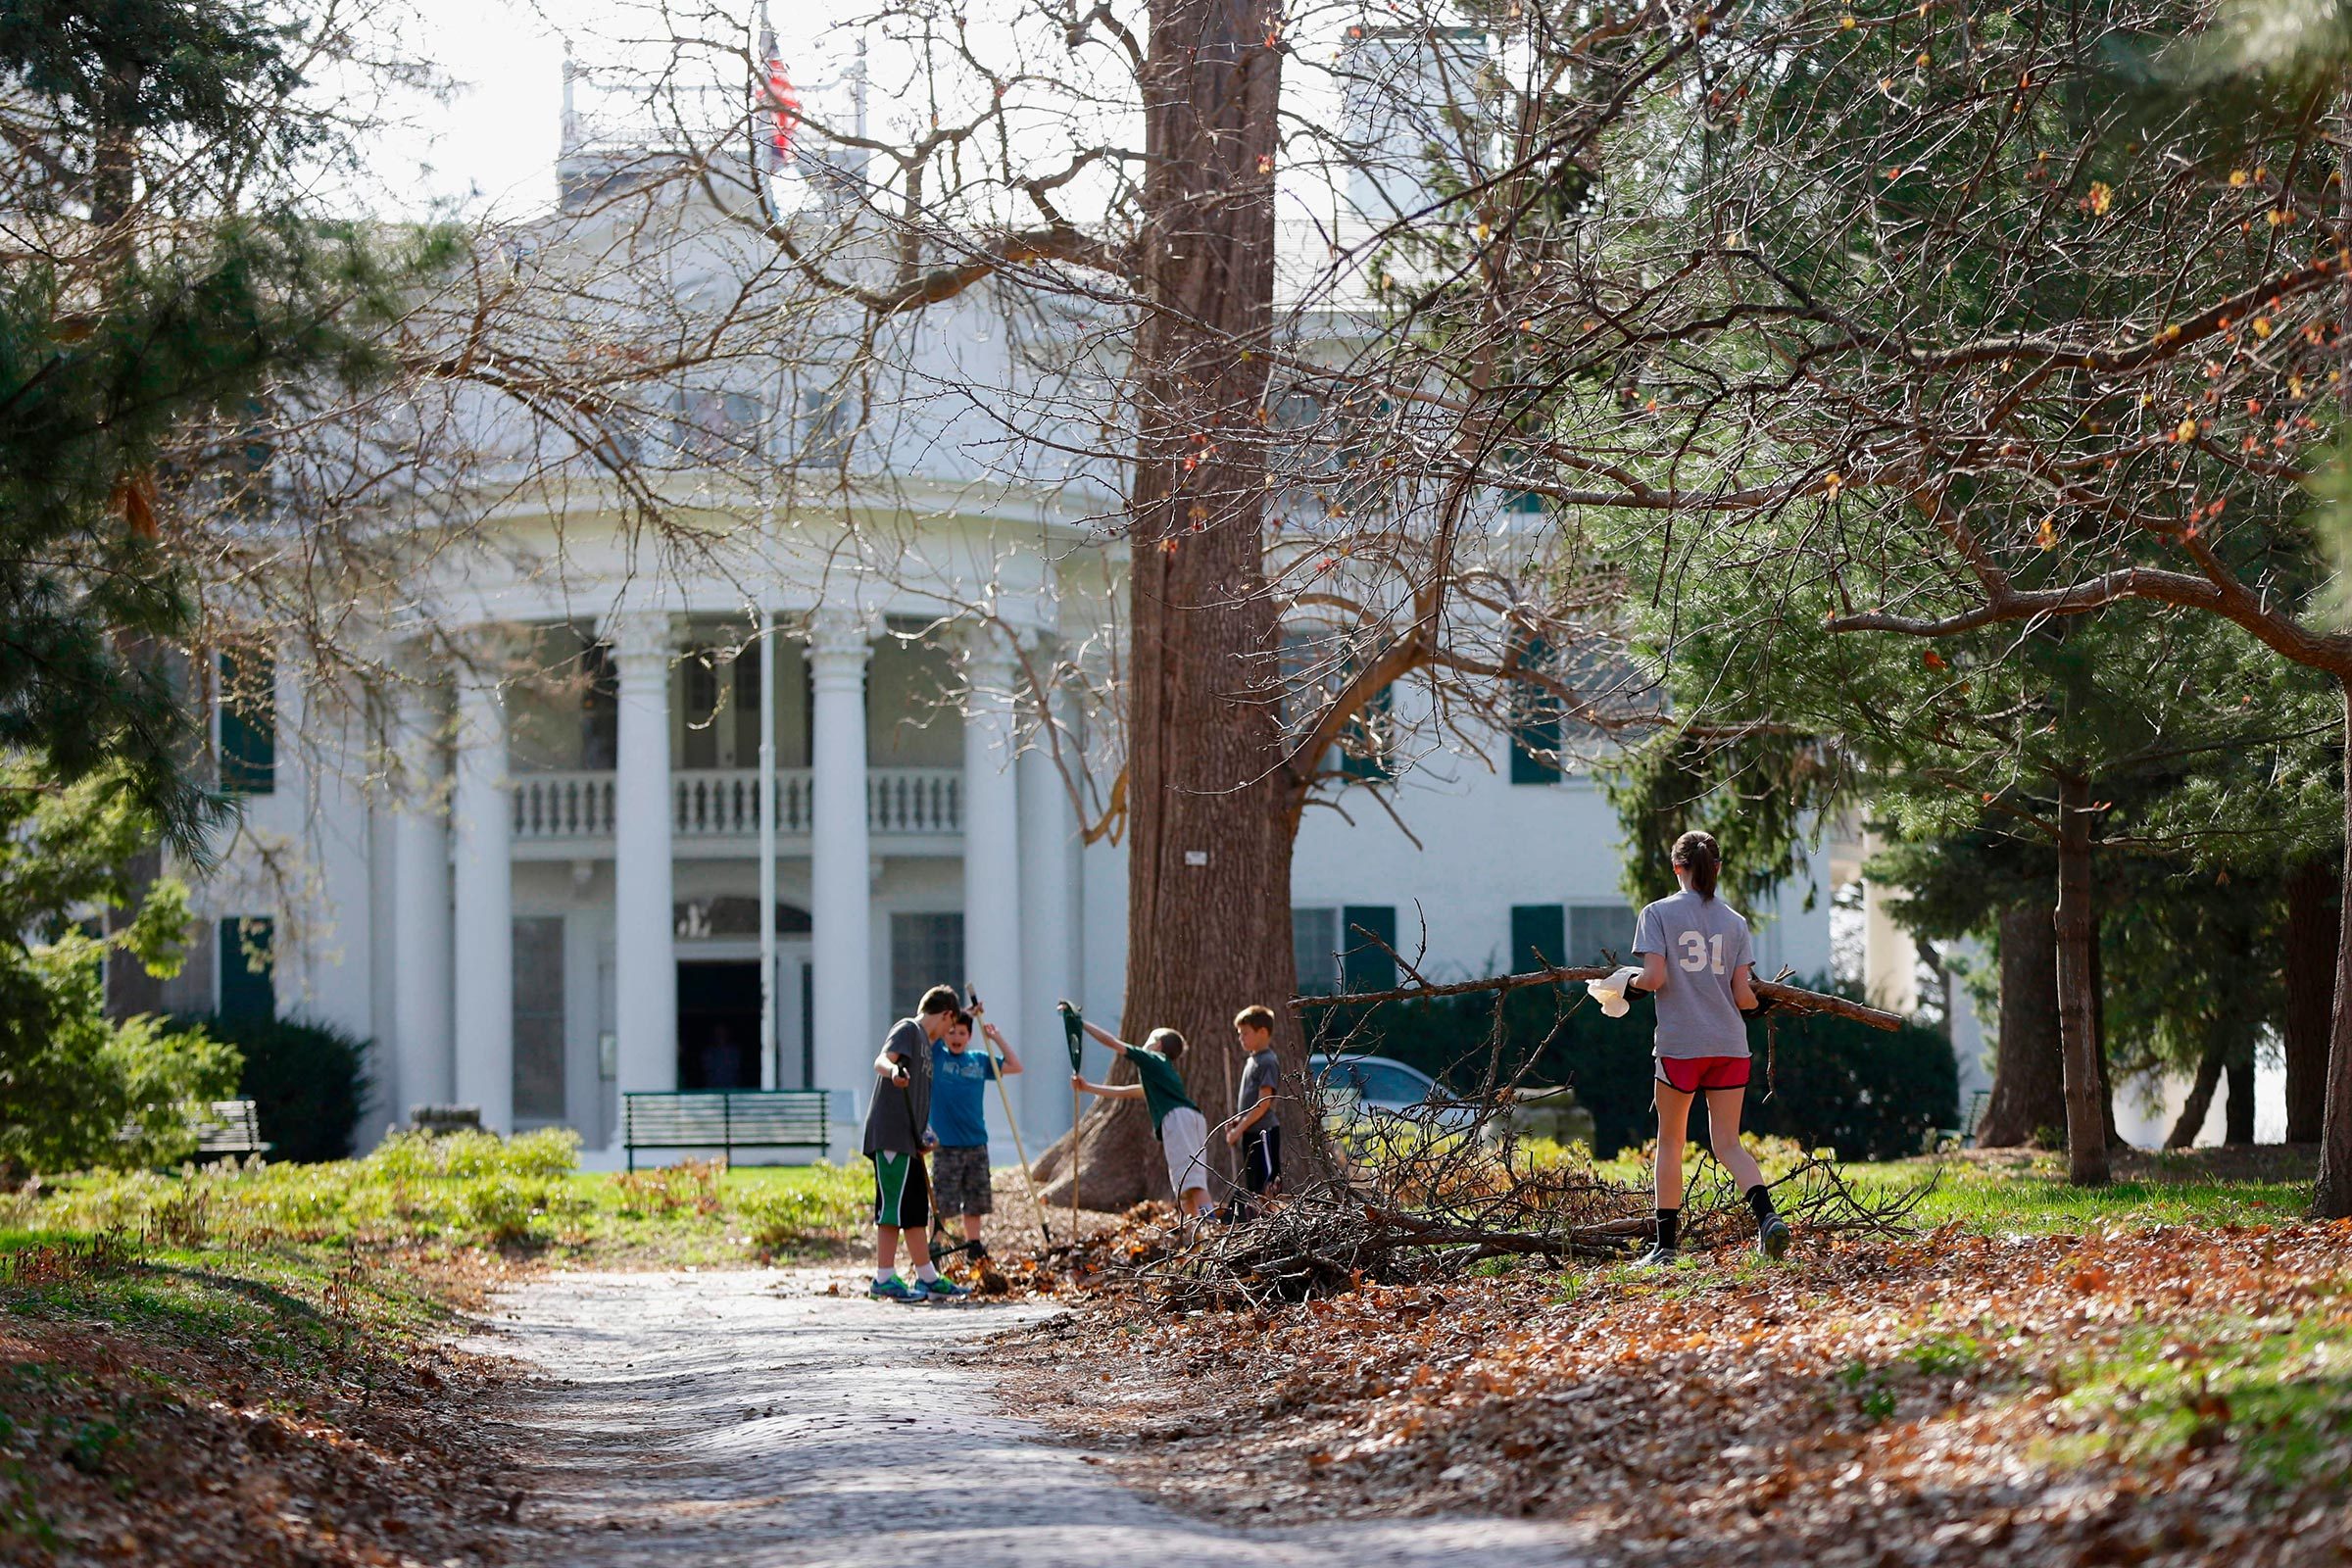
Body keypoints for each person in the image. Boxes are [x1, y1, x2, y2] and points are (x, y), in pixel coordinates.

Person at [1627, 830, 1789, 1267]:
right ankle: (1767, 1218)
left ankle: (1665, 1247)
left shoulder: (1656, 913)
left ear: (1677, 868)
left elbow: (1654, 978)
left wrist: (1625, 983)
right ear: (1717, 868)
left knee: (1671, 1142)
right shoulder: (1735, 922)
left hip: (1681, 1046)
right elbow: (1742, 996)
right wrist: (1762, 1001)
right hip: (1729, 1045)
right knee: (1728, 1143)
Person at [861, 984, 969, 1301]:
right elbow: (881, 1059)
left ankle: (927, 1277)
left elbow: (919, 1098)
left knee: (913, 1212)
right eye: (951, 1026)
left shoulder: (927, 1046)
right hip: (891, 1134)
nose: (949, 1033)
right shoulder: (908, 1029)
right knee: (892, 1208)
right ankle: (883, 1278)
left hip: (911, 1140)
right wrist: (894, 1070)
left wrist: (926, 1132)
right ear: (947, 1014)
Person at [1068, 1012, 1212, 1220]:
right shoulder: (1160, 1076)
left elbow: (1112, 1043)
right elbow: (1126, 1091)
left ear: (1158, 1044)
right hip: (1188, 1119)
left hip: (1178, 1120)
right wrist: (1088, 1087)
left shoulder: (1153, 1059)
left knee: (1193, 1181)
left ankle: (1211, 1223)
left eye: (1149, 1040)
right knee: (1184, 1183)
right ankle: (1195, 1232)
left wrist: (1081, 1024)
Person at [927, 1003, 1022, 1260]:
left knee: (975, 1199)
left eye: (962, 1033)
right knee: (943, 1200)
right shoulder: (938, 1056)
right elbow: (931, 1031)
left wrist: (996, 1037)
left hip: (976, 1141)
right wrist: (965, 1012)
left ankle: (974, 1245)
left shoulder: (980, 1060)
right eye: (952, 1032)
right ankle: (935, 1243)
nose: (956, 1038)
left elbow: (1015, 1066)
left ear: (969, 1036)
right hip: (946, 1144)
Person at [1224, 1004, 1281, 1212]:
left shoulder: (1267, 1061)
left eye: (1245, 1033)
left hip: (1264, 1133)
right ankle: (1258, 1223)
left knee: (1268, 1185)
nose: (1241, 1038)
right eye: (1240, 1034)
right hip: (1250, 1132)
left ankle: (1273, 1223)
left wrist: (1239, 1130)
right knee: (1253, 1184)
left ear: (1263, 1032)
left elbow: (1264, 1103)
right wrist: (1239, 1122)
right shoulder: (1252, 1060)